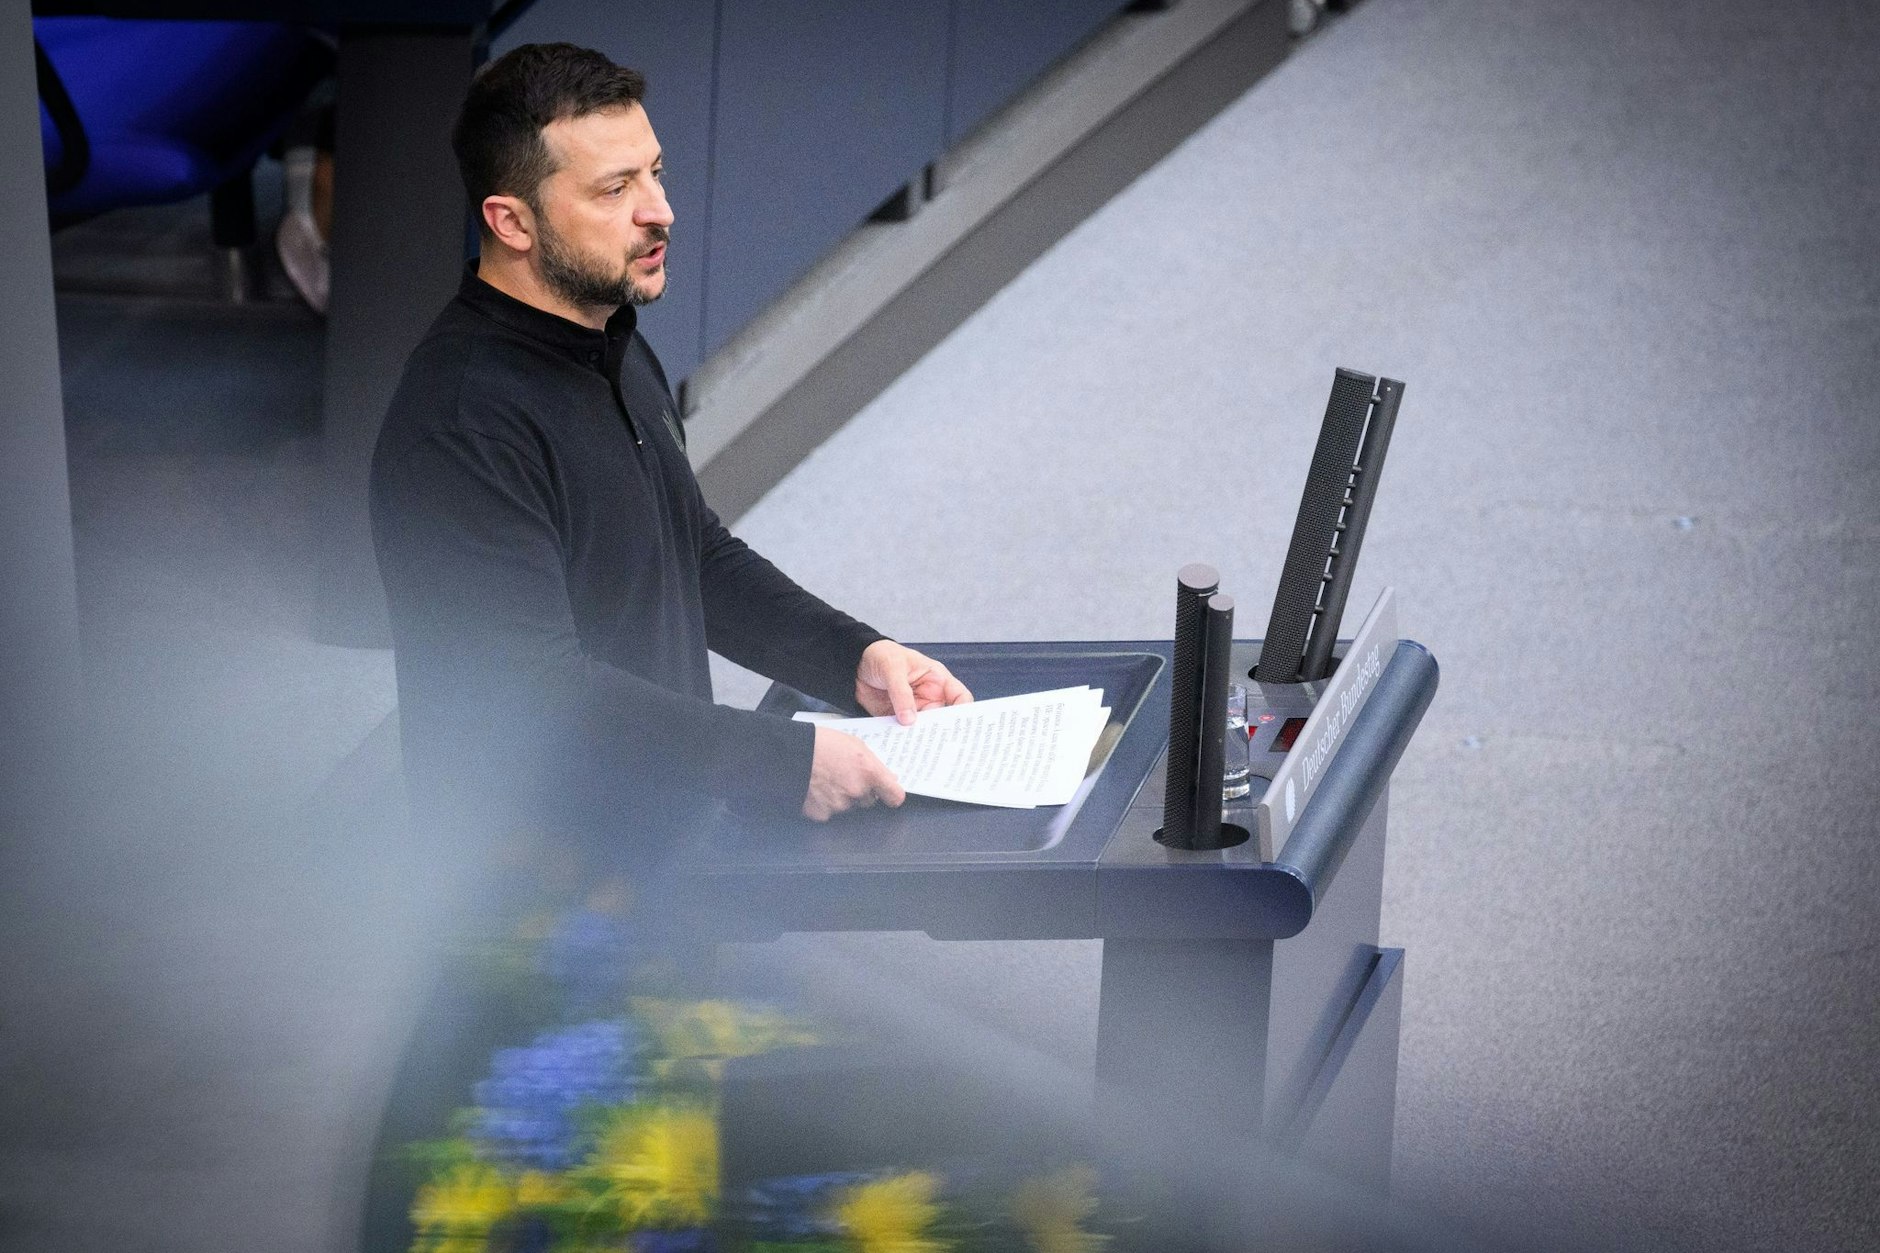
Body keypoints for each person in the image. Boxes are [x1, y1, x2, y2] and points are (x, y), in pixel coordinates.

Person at [369, 42, 971, 885]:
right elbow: (533, 694)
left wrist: (852, 659)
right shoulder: (462, 426)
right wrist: (781, 762)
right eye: (614, 190)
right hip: (535, 898)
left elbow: (690, 554)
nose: (660, 211)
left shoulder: (608, 338)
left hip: (661, 841)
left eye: (654, 173)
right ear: (512, 222)